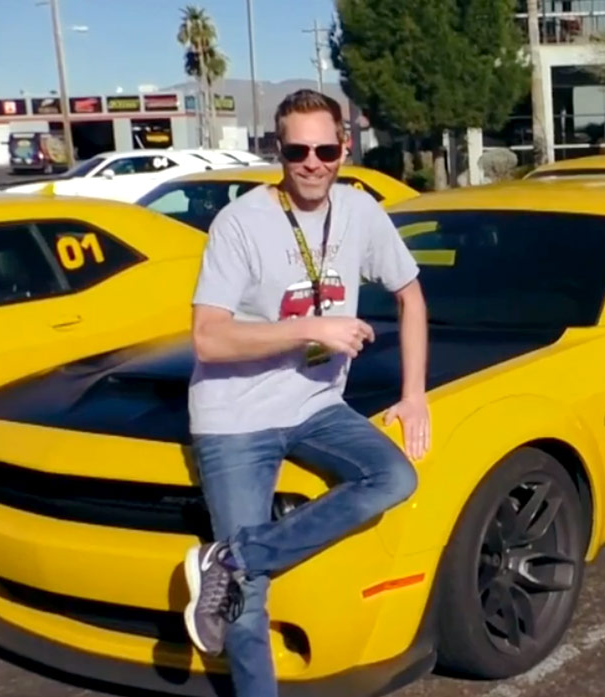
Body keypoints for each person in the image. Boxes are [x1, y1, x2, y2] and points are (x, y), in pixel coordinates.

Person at [181, 88, 429, 697]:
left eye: (325, 148)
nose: (312, 162)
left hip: (316, 405)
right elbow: (208, 340)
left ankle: (233, 558)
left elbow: (411, 295)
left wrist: (414, 393)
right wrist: (312, 328)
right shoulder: (240, 223)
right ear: (278, 150)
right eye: (297, 150)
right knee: (250, 600)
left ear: (345, 146)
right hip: (235, 417)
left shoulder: (360, 212)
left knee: (395, 479)